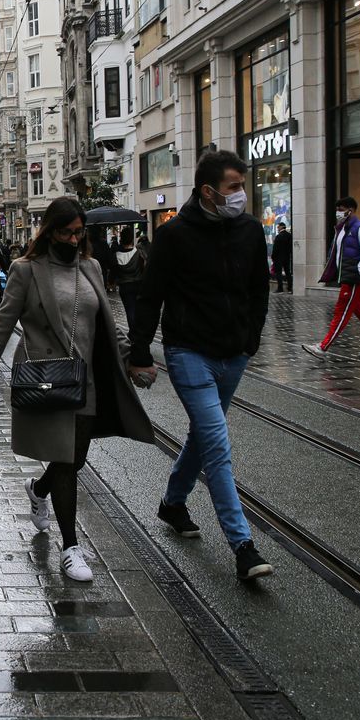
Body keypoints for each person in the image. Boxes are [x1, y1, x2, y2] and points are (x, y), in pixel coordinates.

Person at [0, 198, 154, 581]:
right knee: (66, 462)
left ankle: (38, 489)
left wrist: (134, 359)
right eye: (66, 232)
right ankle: (71, 547)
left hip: (89, 380)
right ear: (49, 232)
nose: (73, 239)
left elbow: (106, 326)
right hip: (51, 378)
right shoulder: (26, 270)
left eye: (79, 232)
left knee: (74, 460)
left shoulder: (91, 267)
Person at [128, 149, 275, 581]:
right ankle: (243, 545)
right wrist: (140, 354)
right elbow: (150, 297)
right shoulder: (174, 236)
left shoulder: (249, 230)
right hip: (189, 351)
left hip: (234, 354)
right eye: (233, 187)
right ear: (208, 191)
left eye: (243, 186)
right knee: (217, 445)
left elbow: (259, 289)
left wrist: (251, 338)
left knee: (203, 437)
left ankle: (173, 503)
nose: (241, 195)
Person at [303, 196, 360, 361]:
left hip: (354, 279)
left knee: (341, 313)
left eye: (341, 209)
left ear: (351, 210)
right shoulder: (342, 229)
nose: (338, 212)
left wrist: (358, 271)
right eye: (338, 209)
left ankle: (323, 347)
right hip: (349, 277)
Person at [112, 225, 145, 327]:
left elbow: (114, 270)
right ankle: (138, 330)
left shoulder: (116, 255)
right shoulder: (138, 253)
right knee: (139, 309)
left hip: (124, 286)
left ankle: (133, 330)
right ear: (132, 238)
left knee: (129, 309)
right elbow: (143, 269)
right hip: (138, 284)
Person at [271, 221, 293, 293]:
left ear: (281, 227)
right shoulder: (289, 236)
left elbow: (275, 248)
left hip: (278, 258)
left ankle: (280, 289)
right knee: (288, 272)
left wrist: (273, 257)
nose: (277, 228)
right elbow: (290, 247)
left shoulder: (278, 236)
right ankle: (290, 288)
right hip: (287, 257)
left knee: (279, 273)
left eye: (278, 227)